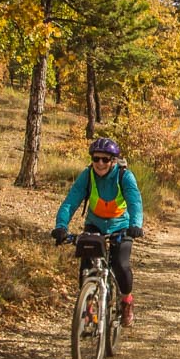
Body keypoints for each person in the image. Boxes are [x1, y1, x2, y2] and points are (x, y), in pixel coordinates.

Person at [51, 137, 144, 326]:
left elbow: (135, 202)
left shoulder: (124, 176)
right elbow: (71, 201)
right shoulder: (87, 175)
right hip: (95, 225)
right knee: (86, 266)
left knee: (120, 264)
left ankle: (126, 301)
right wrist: (61, 226)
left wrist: (136, 225)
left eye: (105, 159)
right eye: (96, 159)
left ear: (114, 160)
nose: (100, 163)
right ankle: (88, 306)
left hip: (121, 226)